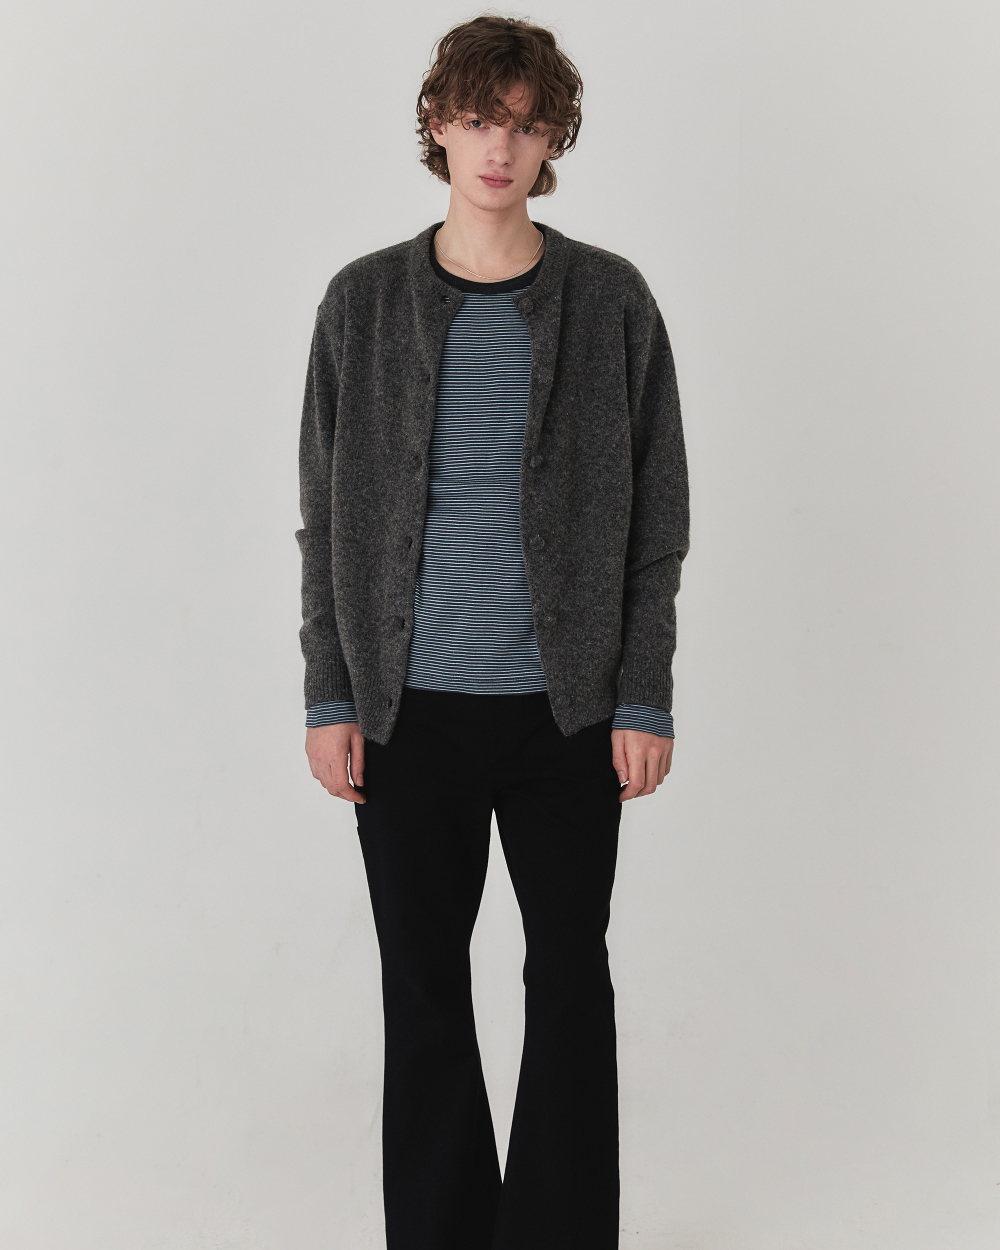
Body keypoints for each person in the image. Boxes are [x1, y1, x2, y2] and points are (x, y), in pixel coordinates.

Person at [296, 14, 689, 1248]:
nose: (499, 147)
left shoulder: (609, 298)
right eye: (477, 119)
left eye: (524, 123)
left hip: (566, 713)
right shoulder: (362, 303)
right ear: (437, 125)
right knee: (423, 990)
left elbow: (658, 515)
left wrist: (642, 692)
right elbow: (323, 516)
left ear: (554, 135)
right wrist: (330, 693)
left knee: (567, 981)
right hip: (405, 712)